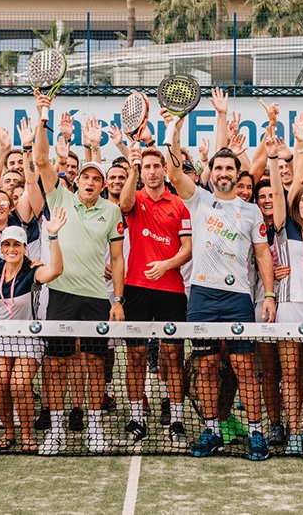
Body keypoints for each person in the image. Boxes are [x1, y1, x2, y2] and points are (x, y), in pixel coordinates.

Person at [165, 104, 278, 462]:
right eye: (219, 167)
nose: (225, 173)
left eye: (231, 168)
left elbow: (262, 256)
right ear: (210, 172)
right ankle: (212, 431)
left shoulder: (252, 211)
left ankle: (256, 433)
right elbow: (173, 171)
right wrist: (175, 132)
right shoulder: (199, 200)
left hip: (238, 298)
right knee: (206, 366)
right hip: (201, 296)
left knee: (245, 366)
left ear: (237, 172)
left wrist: (270, 295)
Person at [31, 92, 126, 456]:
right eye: (84, 176)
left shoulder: (112, 212)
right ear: (77, 181)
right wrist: (44, 116)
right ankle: (55, 432)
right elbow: (41, 158)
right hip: (61, 295)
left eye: (95, 178)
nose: (88, 181)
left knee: (92, 368)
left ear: (102, 185)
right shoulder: (59, 196)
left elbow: (117, 260)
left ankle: (95, 430)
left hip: (95, 299)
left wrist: (116, 300)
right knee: (55, 367)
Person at [118, 142, 193, 448]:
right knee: (134, 357)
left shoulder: (179, 205)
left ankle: (176, 420)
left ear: (164, 170)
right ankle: (137, 419)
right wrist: (132, 166)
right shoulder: (133, 199)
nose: (151, 171)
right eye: (145, 167)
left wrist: (166, 264)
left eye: (154, 166)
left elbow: (187, 250)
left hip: (171, 290)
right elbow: (122, 205)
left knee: (172, 357)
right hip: (136, 288)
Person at [265, 116, 303, 458]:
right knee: (289, 376)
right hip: (288, 307)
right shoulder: (282, 226)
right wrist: (274, 159)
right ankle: (293, 433)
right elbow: (277, 191)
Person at [0, 213, 67, 453]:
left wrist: (52, 235)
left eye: (17, 245)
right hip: (1, 337)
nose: (11, 249)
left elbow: (57, 270)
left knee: (19, 384)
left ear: (24, 248)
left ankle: (26, 434)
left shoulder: (33, 271)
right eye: (7, 244)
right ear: (1, 248)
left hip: (29, 339)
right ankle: (9, 431)